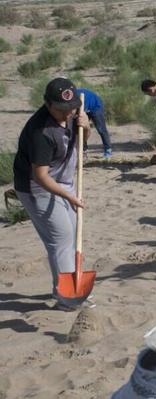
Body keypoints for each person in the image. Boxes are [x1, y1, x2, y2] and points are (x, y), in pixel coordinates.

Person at [12, 77, 92, 310]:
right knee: (62, 238)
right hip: (37, 186)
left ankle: (65, 287)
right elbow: (40, 176)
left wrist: (85, 128)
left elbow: (80, 144)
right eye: (62, 109)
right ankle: (68, 299)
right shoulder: (41, 132)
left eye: (72, 107)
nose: (68, 114)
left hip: (62, 180)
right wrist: (68, 196)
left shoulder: (74, 114)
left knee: (71, 233)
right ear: (48, 104)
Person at [77, 88, 113, 159]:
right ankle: (84, 151)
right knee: (80, 128)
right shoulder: (68, 100)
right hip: (84, 107)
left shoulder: (76, 99)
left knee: (101, 129)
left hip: (95, 106)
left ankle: (108, 150)